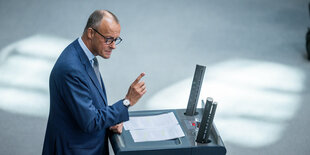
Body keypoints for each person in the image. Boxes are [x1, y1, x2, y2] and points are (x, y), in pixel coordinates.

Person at [42, 10, 146, 155]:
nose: (113, 45)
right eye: (109, 39)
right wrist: (126, 102)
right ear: (91, 33)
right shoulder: (71, 69)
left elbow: (91, 107)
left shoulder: (87, 56)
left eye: (116, 39)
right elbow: (90, 122)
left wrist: (112, 119)